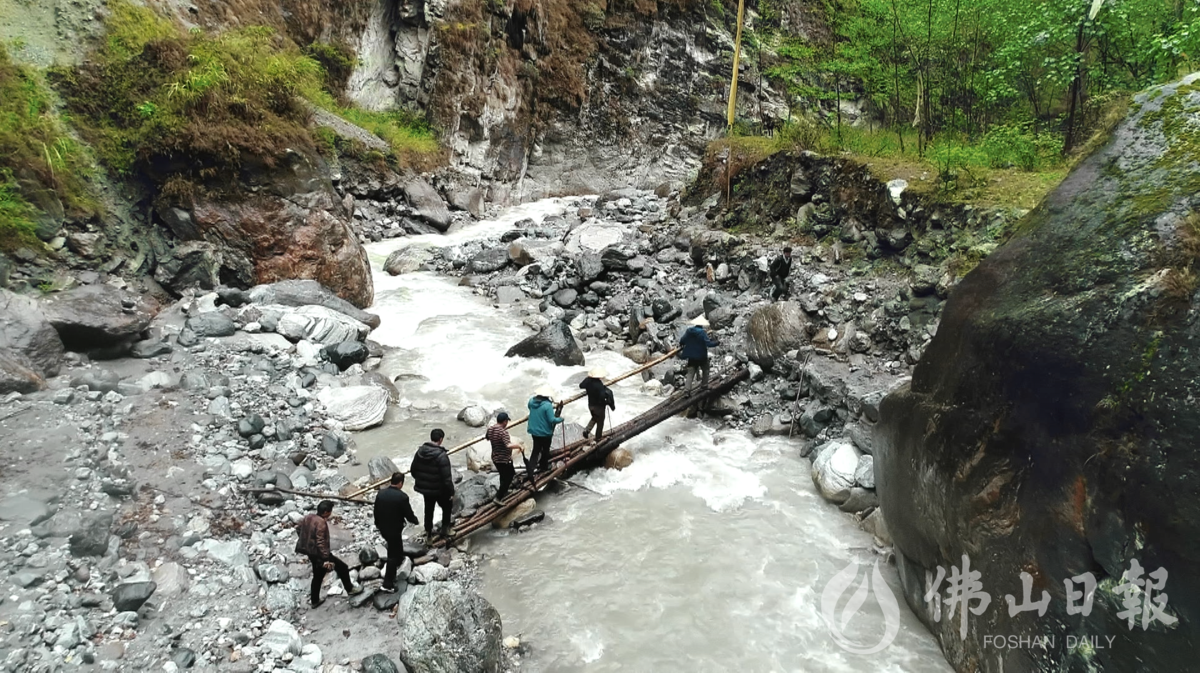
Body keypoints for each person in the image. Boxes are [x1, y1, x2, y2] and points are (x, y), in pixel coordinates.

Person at [295, 500, 360, 608]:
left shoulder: (309, 517)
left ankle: (315, 600)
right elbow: (321, 542)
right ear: (325, 512)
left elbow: (299, 529)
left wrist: (307, 542)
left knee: (317, 576)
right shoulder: (321, 523)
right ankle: (350, 589)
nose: (330, 514)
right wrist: (326, 559)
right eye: (330, 511)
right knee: (342, 568)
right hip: (320, 555)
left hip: (311, 553)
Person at [373, 472, 418, 592]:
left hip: (383, 528)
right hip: (394, 529)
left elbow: (376, 511)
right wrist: (415, 521)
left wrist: (377, 524)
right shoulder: (402, 497)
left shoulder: (381, 493)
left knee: (396, 546)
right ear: (401, 483)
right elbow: (408, 514)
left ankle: (399, 559)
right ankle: (387, 584)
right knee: (391, 556)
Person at [410, 428, 455, 539]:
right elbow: (447, 478)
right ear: (440, 439)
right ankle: (445, 529)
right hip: (440, 489)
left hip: (426, 490)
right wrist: (451, 491)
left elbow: (413, 470)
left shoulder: (420, 452)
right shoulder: (441, 455)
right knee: (447, 507)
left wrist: (423, 481)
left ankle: (429, 534)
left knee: (428, 510)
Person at [679, 316, 719, 415]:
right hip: (701, 356)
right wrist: (717, 342)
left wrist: (681, 344)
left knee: (690, 373)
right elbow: (708, 344)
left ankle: (687, 391)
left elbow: (682, 340)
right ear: (702, 325)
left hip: (691, 357)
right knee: (706, 369)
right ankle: (704, 386)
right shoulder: (702, 333)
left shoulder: (689, 331)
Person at [526, 385, 564, 481]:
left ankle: (530, 470)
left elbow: (531, 408)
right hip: (545, 432)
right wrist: (560, 419)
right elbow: (552, 419)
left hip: (534, 431)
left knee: (535, 450)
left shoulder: (531, 401)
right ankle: (544, 467)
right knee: (545, 450)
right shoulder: (547, 405)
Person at [486, 412, 524, 506]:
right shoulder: (503, 432)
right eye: (507, 421)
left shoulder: (491, 429)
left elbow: (487, 437)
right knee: (508, 477)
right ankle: (498, 497)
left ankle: (504, 491)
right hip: (503, 459)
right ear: (504, 421)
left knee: (505, 475)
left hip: (495, 457)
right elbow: (508, 445)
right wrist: (519, 446)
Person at [580, 366, 615, 440]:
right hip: (598, 407)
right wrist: (607, 402)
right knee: (600, 421)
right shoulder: (599, 385)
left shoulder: (588, 380)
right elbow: (602, 397)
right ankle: (598, 438)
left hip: (591, 405)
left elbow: (581, 385)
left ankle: (587, 430)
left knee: (595, 418)